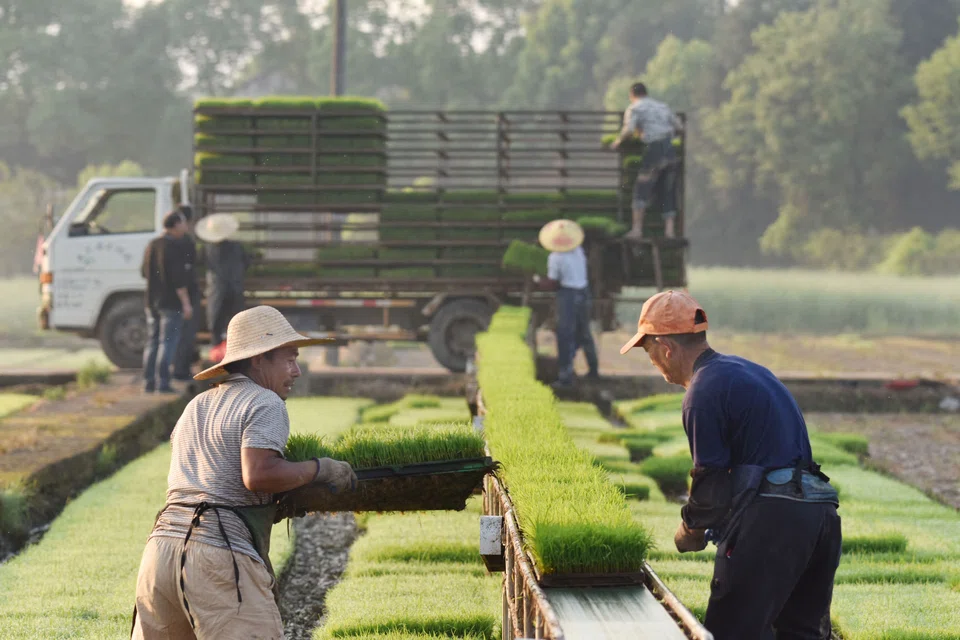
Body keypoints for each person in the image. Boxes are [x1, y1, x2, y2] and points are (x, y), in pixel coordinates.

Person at [620, 290, 842, 640]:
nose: (653, 364)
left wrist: (689, 530)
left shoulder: (702, 391)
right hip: (820, 515)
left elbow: (710, 487)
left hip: (773, 523)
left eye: (649, 354)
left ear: (666, 347)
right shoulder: (749, 372)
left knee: (732, 633)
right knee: (801, 633)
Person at [132, 305, 358, 639]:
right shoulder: (265, 402)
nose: (297, 371)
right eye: (289, 359)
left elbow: (217, 479)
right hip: (216, 556)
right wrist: (320, 469)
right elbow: (258, 475)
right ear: (258, 359)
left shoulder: (197, 405)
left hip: (160, 554)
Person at [610, 82, 684, 240]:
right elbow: (679, 127)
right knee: (667, 190)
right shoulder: (662, 107)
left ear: (632, 95)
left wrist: (617, 142)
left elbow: (629, 130)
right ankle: (669, 232)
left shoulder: (635, 108)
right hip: (670, 151)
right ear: (646, 93)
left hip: (654, 151)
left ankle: (637, 230)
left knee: (641, 188)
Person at [534, 219, 599, 388]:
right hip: (584, 292)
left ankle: (565, 377)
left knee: (565, 335)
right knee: (584, 333)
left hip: (568, 295)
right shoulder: (578, 250)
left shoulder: (555, 258)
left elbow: (554, 284)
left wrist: (538, 281)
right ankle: (593, 371)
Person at [141, 210, 193, 394]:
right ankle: (163, 383)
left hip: (151, 301)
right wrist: (186, 303)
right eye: (184, 223)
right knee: (167, 342)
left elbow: (143, 272)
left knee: (152, 341)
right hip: (171, 302)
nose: (186, 226)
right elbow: (178, 280)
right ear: (176, 225)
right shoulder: (174, 247)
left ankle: (148, 382)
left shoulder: (152, 245)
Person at [195, 213, 251, 363]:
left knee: (215, 322)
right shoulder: (237, 246)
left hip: (216, 290)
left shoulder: (207, 249)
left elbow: (198, 263)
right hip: (235, 288)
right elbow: (247, 263)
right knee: (236, 322)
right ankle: (237, 352)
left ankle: (216, 353)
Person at [173, 205, 202, 382]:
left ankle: (180, 368)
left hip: (179, 295)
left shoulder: (171, 242)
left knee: (178, 334)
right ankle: (181, 371)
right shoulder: (185, 242)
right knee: (186, 333)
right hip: (188, 294)